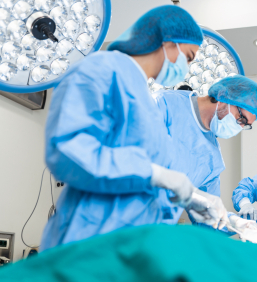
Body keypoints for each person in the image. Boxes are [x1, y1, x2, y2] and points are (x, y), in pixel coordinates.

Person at [41, 6, 227, 250]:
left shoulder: (145, 100)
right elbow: (67, 151)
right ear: (169, 42)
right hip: (88, 241)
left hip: (134, 248)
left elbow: (142, 187)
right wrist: (156, 175)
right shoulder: (101, 70)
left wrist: (192, 198)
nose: (187, 67)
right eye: (189, 57)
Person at [154, 75, 257, 225]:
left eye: (245, 125)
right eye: (241, 119)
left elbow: (208, 216)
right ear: (225, 98)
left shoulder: (212, 160)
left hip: (157, 233)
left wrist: (235, 223)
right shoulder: (165, 104)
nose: (239, 127)